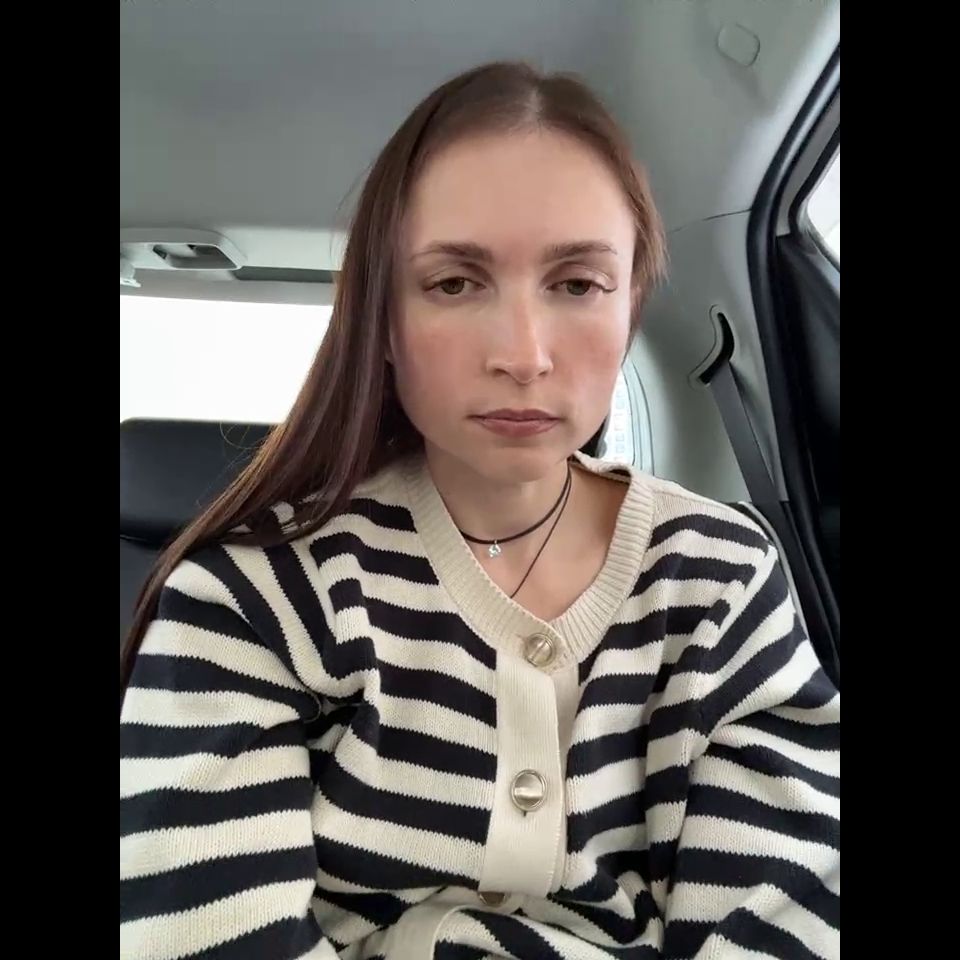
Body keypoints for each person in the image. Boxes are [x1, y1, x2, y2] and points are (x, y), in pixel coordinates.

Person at [120, 61, 839, 960]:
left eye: (577, 284)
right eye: (455, 283)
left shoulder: (724, 576)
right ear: (382, 319)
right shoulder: (248, 598)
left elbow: (779, 924)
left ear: (631, 305)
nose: (524, 355)